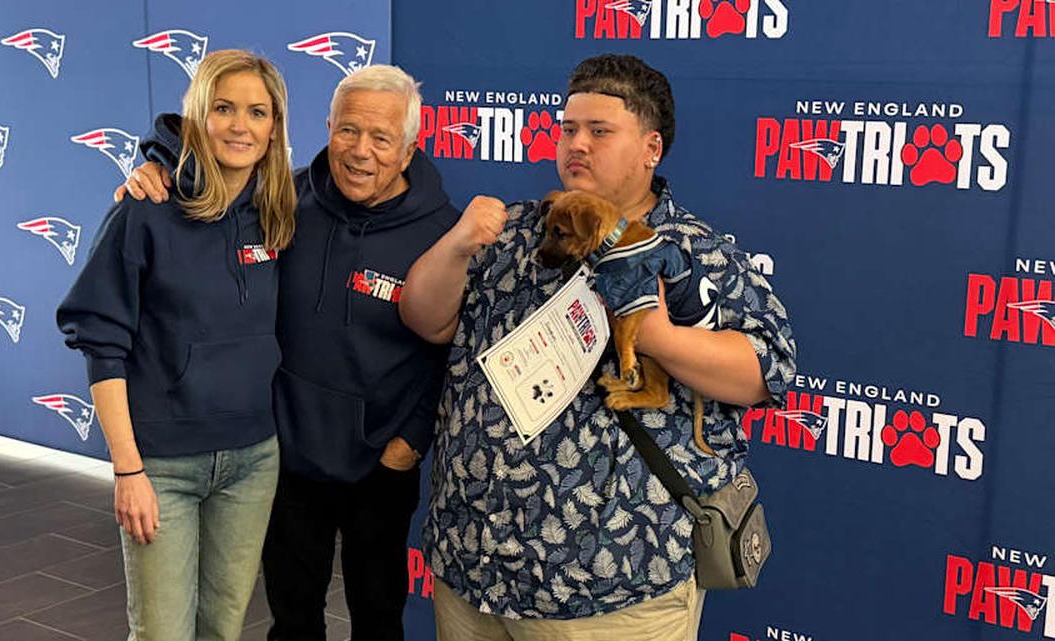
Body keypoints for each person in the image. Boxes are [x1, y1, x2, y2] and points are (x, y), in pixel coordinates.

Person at [399, 54, 797, 640]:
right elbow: (425, 320)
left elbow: (768, 372)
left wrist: (657, 336)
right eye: (568, 129)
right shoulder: (515, 228)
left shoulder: (691, 250)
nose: (576, 145)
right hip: (474, 564)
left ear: (651, 148)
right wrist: (458, 245)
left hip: (610, 581)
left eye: (600, 131)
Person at [119, 64, 459, 641]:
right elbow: (209, 178)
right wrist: (156, 161)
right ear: (327, 126)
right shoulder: (281, 201)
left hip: (382, 461)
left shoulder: (443, 232)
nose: (360, 151)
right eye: (348, 131)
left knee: (379, 618)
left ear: (409, 150)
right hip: (286, 457)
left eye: (381, 138)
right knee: (293, 617)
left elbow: (449, 351)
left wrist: (412, 439)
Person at [57, 49, 295, 641]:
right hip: (163, 465)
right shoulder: (146, 208)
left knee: (221, 629)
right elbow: (101, 341)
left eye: (258, 113)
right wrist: (127, 469)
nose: (241, 126)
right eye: (224, 108)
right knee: (163, 634)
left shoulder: (278, 212)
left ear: (274, 129)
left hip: (253, 461)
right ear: (198, 115)